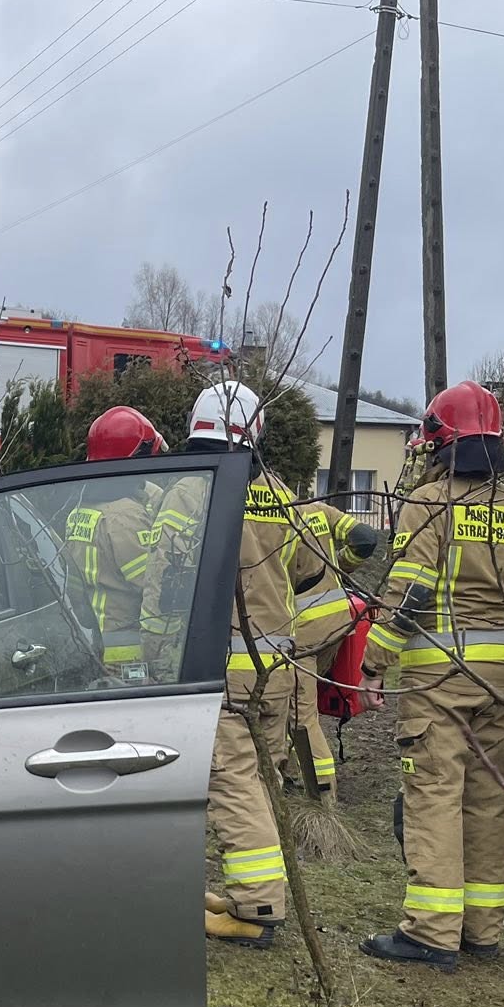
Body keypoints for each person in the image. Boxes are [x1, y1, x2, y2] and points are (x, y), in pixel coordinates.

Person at [359, 380, 504, 972]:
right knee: (487, 802)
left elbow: (412, 592)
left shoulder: (430, 502)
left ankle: (430, 932)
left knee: (434, 799)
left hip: (438, 682)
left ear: (440, 442)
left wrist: (373, 663)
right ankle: (481, 929)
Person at [143, 380, 330, 948]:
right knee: (262, 780)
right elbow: (309, 571)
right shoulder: (279, 493)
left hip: (221, 673)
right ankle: (262, 892)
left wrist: (157, 665)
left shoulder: (189, 493)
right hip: (277, 671)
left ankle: (256, 908)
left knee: (231, 785)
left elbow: (163, 587)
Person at [288, 503, 379, 795]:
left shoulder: (272, 514)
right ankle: (290, 771)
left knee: (299, 713)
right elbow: (365, 537)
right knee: (299, 702)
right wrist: (340, 566)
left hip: (302, 630)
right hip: (337, 619)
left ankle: (323, 794)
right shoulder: (315, 508)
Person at [70, 407, 166, 683]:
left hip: (98, 642)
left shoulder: (81, 508)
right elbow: (150, 582)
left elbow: (74, 588)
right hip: (130, 650)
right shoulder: (125, 516)